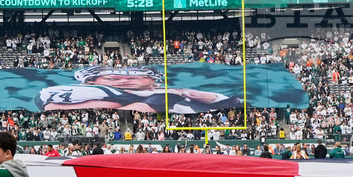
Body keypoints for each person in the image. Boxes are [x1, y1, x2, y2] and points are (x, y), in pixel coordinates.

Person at [37, 65, 242, 114]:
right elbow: (50, 106)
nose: (124, 81)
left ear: (151, 81)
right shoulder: (100, 95)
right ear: (92, 81)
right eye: (111, 77)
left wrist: (213, 98)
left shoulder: (175, 91)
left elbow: (233, 102)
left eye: (135, 77)